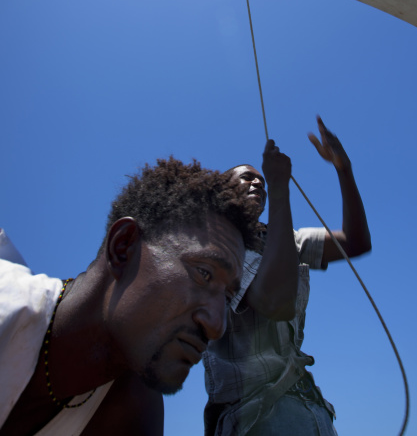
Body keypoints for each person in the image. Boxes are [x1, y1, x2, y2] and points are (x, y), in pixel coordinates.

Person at [0, 156, 260, 436]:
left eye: (227, 297)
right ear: (123, 247)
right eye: (204, 273)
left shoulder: (133, 414)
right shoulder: (9, 304)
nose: (217, 326)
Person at [203, 117, 372, 436]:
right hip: (254, 415)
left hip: (311, 409)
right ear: (222, 193)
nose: (258, 184)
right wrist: (279, 185)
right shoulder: (216, 245)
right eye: (248, 178)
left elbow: (357, 241)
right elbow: (276, 302)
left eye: (262, 183)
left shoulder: (284, 239)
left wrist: (343, 169)